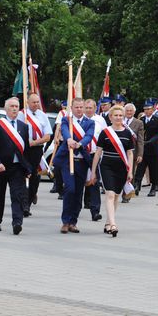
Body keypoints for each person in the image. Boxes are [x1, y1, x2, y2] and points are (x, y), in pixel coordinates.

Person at [88, 105, 134, 238]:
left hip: (122, 168)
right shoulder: (105, 132)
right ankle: (113, 224)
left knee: (116, 196)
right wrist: (93, 171)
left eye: (121, 115)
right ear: (110, 117)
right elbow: (98, 153)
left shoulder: (127, 133)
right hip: (107, 166)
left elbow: (130, 153)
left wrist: (130, 171)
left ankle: (108, 222)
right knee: (109, 194)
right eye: (116, 115)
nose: (118, 118)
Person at [0, 97, 32, 235]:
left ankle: (17, 222)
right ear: (6, 109)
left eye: (16, 106)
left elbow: (26, 150)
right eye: (11, 106)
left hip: (17, 167)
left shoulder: (24, 127)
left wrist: (27, 168)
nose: (14, 108)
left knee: (17, 195)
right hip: (1, 167)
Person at [54, 98, 95, 234]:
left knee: (78, 193)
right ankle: (65, 221)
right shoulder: (67, 120)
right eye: (76, 107)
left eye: (81, 107)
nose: (79, 109)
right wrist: (69, 139)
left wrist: (80, 144)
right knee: (70, 189)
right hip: (67, 161)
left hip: (82, 161)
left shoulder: (90, 122)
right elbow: (65, 131)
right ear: (71, 108)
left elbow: (89, 136)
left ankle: (73, 222)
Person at [18, 92, 52, 217]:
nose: (36, 104)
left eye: (38, 102)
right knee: (22, 176)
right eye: (34, 102)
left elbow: (48, 136)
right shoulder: (21, 115)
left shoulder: (42, 115)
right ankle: (23, 205)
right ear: (27, 102)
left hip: (36, 149)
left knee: (34, 177)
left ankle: (30, 199)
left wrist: (35, 142)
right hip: (23, 150)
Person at [134, 99, 158, 197]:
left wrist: (150, 141)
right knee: (140, 169)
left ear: (153, 109)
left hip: (153, 149)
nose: (147, 111)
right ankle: (137, 185)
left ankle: (153, 188)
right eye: (145, 109)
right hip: (142, 149)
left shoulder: (157, 120)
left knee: (154, 170)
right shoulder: (141, 120)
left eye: (149, 109)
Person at [83, 98, 107, 220]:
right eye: (86, 108)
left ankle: (95, 211)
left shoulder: (100, 120)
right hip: (81, 154)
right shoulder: (79, 121)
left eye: (90, 108)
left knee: (94, 182)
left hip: (94, 155)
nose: (88, 110)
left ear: (95, 108)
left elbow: (104, 136)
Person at [121, 103, 144, 203]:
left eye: (131, 111)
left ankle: (127, 195)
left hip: (133, 152)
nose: (129, 112)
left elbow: (140, 140)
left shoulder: (139, 123)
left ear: (134, 112)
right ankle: (119, 192)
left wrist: (140, 154)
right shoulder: (119, 121)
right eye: (127, 111)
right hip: (120, 151)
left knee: (130, 173)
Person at [50, 100, 68, 197]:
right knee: (57, 166)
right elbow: (58, 126)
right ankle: (58, 186)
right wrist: (56, 137)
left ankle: (66, 189)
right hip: (62, 143)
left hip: (72, 144)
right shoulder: (62, 113)